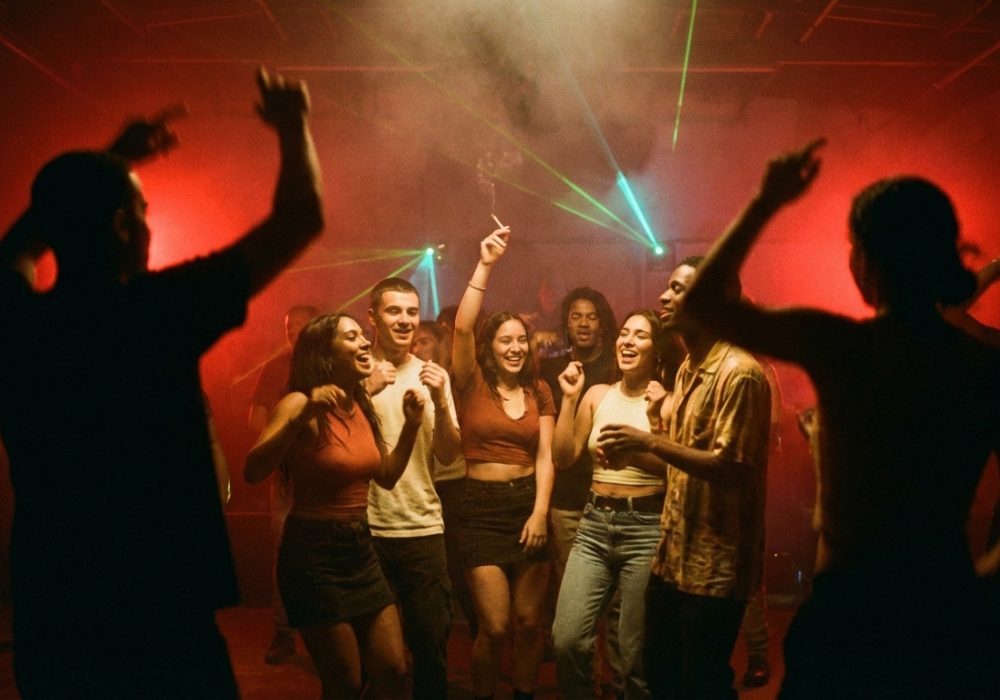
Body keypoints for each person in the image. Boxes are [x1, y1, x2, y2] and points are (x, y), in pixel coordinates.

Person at [0, 67, 323, 697]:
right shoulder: (155, 312)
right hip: (161, 605)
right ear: (123, 225)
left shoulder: (18, 323)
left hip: (53, 598)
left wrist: (105, 166)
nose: (148, 224)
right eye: (141, 211)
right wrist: (293, 123)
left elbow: (11, 251)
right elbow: (299, 218)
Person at [678, 140, 1000, 698]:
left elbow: (703, 303)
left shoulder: (844, 347)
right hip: (944, 607)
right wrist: (974, 590)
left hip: (848, 610)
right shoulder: (983, 367)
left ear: (865, 262)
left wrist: (766, 200)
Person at [598, 256, 771, 699]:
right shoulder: (690, 367)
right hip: (674, 556)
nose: (664, 295)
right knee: (662, 679)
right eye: (669, 286)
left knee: (702, 686)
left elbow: (731, 469)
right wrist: (644, 441)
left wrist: (648, 441)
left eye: (679, 289)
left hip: (715, 566)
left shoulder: (740, 374)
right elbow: (682, 460)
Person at [246, 313, 424, 699]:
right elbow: (253, 470)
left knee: (393, 669)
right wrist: (299, 418)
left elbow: (386, 476)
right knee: (345, 682)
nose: (365, 342)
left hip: (360, 549)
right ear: (325, 354)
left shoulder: (360, 404)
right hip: (314, 555)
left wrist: (411, 426)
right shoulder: (298, 402)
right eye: (352, 337)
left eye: (362, 335)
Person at [452, 226, 556, 700]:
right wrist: (486, 264)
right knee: (494, 627)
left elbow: (546, 455)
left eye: (521, 340)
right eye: (504, 340)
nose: (515, 348)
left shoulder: (540, 390)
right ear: (489, 347)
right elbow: (462, 327)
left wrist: (540, 512)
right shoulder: (471, 382)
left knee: (530, 623)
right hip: (481, 508)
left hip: (528, 504)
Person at [551, 310, 676, 699]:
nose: (628, 341)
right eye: (624, 333)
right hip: (594, 525)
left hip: (647, 527)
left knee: (634, 657)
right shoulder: (597, 394)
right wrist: (569, 399)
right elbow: (563, 457)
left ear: (657, 350)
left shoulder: (667, 402)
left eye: (640, 335)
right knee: (567, 640)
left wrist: (636, 450)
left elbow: (677, 469)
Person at [365, 277, 462, 700]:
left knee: (430, 648)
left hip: (422, 528)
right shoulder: (355, 371)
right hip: (365, 528)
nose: (405, 320)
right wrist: (364, 388)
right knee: (376, 659)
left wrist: (440, 399)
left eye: (411, 312)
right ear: (373, 318)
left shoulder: (431, 375)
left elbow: (448, 455)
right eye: (394, 311)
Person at [537, 287, 620, 695]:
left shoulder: (618, 366)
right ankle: (588, 687)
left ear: (602, 323)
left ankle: (618, 684)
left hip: (615, 497)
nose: (584, 323)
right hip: (568, 500)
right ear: (566, 323)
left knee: (618, 608)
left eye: (591, 316)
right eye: (576, 316)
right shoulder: (553, 369)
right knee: (577, 606)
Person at [249, 303, 319, 664]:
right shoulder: (276, 367)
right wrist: (281, 442)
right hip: (289, 476)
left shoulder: (328, 366)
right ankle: (284, 631)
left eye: (300, 328)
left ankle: (328, 632)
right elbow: (256, 418)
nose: (292, 334)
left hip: (328, 474)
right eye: (289, 328)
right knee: (284, 552)